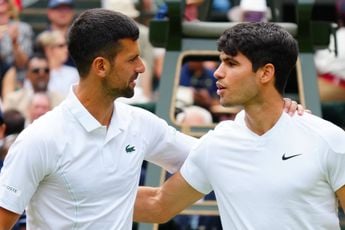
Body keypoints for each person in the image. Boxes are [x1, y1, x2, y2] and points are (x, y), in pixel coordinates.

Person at [0, 9, 302, 229]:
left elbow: (214, 156)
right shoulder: (39, 139)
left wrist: (276, 111)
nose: (142, 67)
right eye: (132, 59)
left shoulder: (140, 124)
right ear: (101, 66)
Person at [134, 22, 345, 229]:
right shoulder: (217, 143)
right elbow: (159, 205)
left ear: (265, 73)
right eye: (220, 62)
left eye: (231, 63)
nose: (218, 72)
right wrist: (100, 189)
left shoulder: (328, 139)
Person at [2, 53, 63, 119]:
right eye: (36, 71)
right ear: (27, 75)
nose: (42, 74)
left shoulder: (61, 101)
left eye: (46, 70)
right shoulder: (13, 100)